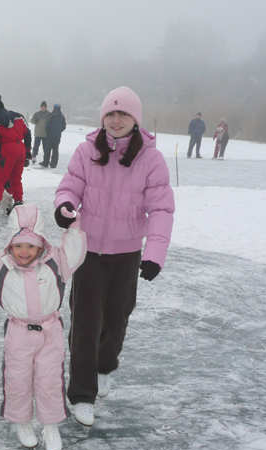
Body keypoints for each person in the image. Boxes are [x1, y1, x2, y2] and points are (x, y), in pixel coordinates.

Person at [54, 86, 175, 427]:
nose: (116, 119)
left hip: (126, 254)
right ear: (103, 117)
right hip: (88, 252)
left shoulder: (151, 159)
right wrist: (64, 208)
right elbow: (69, 187)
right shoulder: (86, 151)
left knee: (118, 318)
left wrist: (154, 254)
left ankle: (105, 365)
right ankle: (81, 393)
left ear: (135, 120)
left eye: (124, 114)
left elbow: (162, 208)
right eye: (111, 113)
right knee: (85, 323)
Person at [0, 204, 87, 450]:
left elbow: (76, 249)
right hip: (18, 334)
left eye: (30, 246)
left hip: (51, 333)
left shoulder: (56, 263)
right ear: (10, 245)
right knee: (18, 380)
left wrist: (72, 227)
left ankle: (50, 427)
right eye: (18, 246)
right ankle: (22, 422)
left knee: (50, 381)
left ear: (41, 245)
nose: (24, 252)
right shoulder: (0, 268)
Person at [0, 92, 32, 219]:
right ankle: (18, 204)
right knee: (16, 179)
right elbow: (27, 134)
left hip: (6, 151)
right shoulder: (18, 116)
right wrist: (27, 152)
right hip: (20, 149)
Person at [42, 104, 66, 168]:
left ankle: (45, 163)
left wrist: (48, 132)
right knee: (55, 150)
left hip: (49, 136)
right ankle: (53, 164)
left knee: (48, 150)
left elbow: (47, 126)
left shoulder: (51, 115)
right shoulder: (62, 117)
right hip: (57, 137)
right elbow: (64, 126)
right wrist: (58, 131)